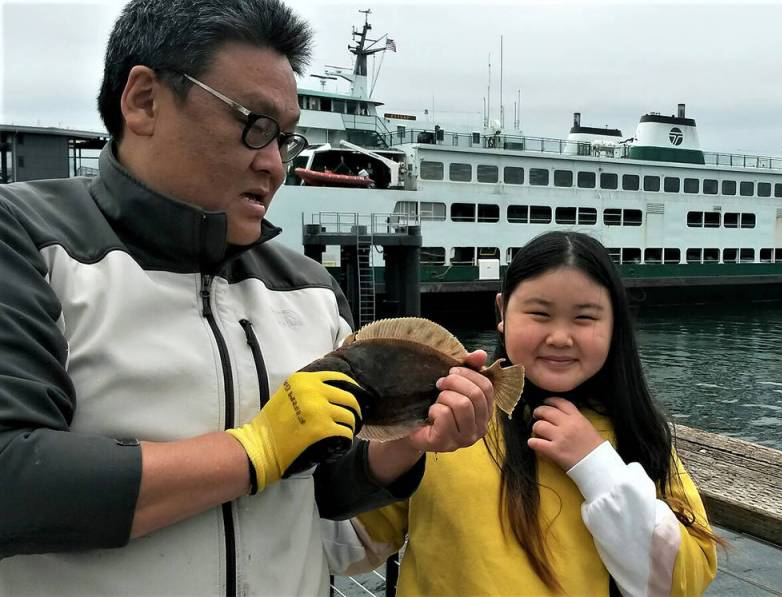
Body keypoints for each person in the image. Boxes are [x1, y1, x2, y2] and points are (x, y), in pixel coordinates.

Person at [0, 0, 494, 594]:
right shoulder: (25, 241)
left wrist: (402, 448)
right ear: (144, 100)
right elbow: (13, 479)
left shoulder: (312, 289)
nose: (275, 165)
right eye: (254, 125)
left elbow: (320, 485)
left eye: (285, 140)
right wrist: (253, 450)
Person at [335, 231, 718, 595]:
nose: (560, 337)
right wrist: (399, 449)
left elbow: (682, 583)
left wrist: (596, 465)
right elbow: (345, 542)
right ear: (502, 310)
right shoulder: (445, 422)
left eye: (585, 317)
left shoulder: (637, 435)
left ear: (614, 322)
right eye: (539, 313)